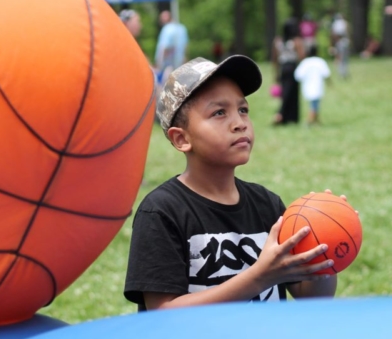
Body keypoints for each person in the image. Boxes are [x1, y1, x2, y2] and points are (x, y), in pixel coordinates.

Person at [123, 55, 338, 311]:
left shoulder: (267, 205)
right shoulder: (162, 211)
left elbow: (311, 296)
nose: (239, 123)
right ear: (181, 139)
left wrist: (329, 247)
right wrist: (260, 277)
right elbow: (163, 312)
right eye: (219, 113)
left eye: (243, 109)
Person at [271, 18, 305, 125]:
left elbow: (274, 59)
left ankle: (286, 118)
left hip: (283, 68)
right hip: (293, 68)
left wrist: (276, 73)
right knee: (292, 93)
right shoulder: (296, 41)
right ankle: (284, 115)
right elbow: (301, 56)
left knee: (285, 92)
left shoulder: (278, 41)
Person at [294, 45, 331, 125]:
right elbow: (326, 74)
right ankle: (310, 121)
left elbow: (297, 75)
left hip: (307, 86)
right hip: (318, 86)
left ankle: (316, 120)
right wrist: (330, 83)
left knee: (314, 104)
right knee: (315, 104)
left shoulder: (305, 62)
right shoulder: (320, 61)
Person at [154, 10, 189, 80]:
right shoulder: (182, 28)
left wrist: (159, 64)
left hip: (169, 66)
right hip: (180, 65)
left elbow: (165, 48)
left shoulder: (167, 29)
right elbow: (186, 47)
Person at [330, 13, 350, 78]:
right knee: (345, 59)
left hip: (339, 42)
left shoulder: (335, 24)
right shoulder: (345, 23)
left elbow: (334, 34)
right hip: (345, 42)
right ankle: (344, 72)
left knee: (340, 58)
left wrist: (332, 44)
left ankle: (341, 73)